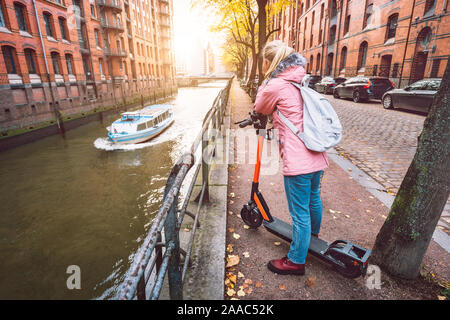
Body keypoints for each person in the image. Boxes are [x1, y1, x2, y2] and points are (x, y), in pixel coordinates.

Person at [253, 40, 329, 275]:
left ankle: (296, 260)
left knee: (299, 213)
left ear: (269, 61)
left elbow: (260, 107)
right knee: (313, 199)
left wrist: (264, 82)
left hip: (298, 161)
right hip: (317, 154)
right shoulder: (300, 78)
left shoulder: (275, 84)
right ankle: (311, 238)